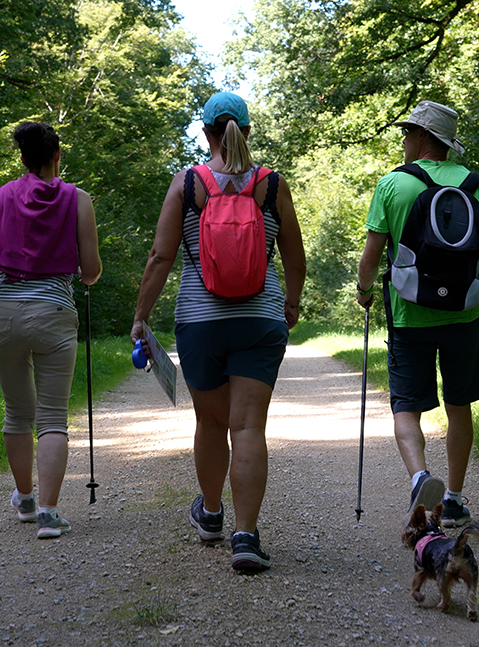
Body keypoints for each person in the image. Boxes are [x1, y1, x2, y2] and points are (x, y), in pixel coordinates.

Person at [131, 91, 306, 571]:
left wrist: (141, 316)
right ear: (247, 131)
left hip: (200, 321)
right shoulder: (272, 185)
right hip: (260, 318)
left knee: (210, 422)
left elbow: (161, 257)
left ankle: (211, 516)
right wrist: (289, 304)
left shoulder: (188, 183)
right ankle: (246, 538)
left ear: (206, 133)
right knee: (248, 425)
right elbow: (294, 253)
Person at [356, 100, 479, 527]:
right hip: (465, 312)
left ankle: (420, 477)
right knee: (460, 403)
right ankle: (457, 500)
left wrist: (364, 291)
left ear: (424, 137)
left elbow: (371, 257)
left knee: (407, 406)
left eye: (408, 132)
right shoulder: (475, 185)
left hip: (410, 315)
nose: (404, 139)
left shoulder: (393, 184)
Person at [0, 122, 102, 539]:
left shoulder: (3, 196)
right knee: (52, 418)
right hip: (54, 312)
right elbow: (91, 270)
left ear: (23, 158)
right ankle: (48, 512)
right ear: (56, 156)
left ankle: (23, 499)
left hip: (4, 312)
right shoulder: (77, 199)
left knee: (17, 412)